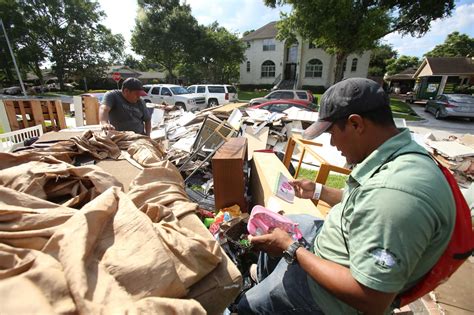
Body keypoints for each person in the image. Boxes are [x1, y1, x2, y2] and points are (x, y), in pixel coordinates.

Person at [237, 78, 455, 314]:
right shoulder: (396, 155)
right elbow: (362, 203)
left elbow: (370, 298)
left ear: (355, 124)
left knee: (249, 306)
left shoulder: (394, 196)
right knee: (293, 223)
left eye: (331, 132)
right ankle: (264, 278)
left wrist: (291, 249)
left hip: (331, 300)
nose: (332, 142)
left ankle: (267, 296)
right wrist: (318, 191)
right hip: (334, 244)